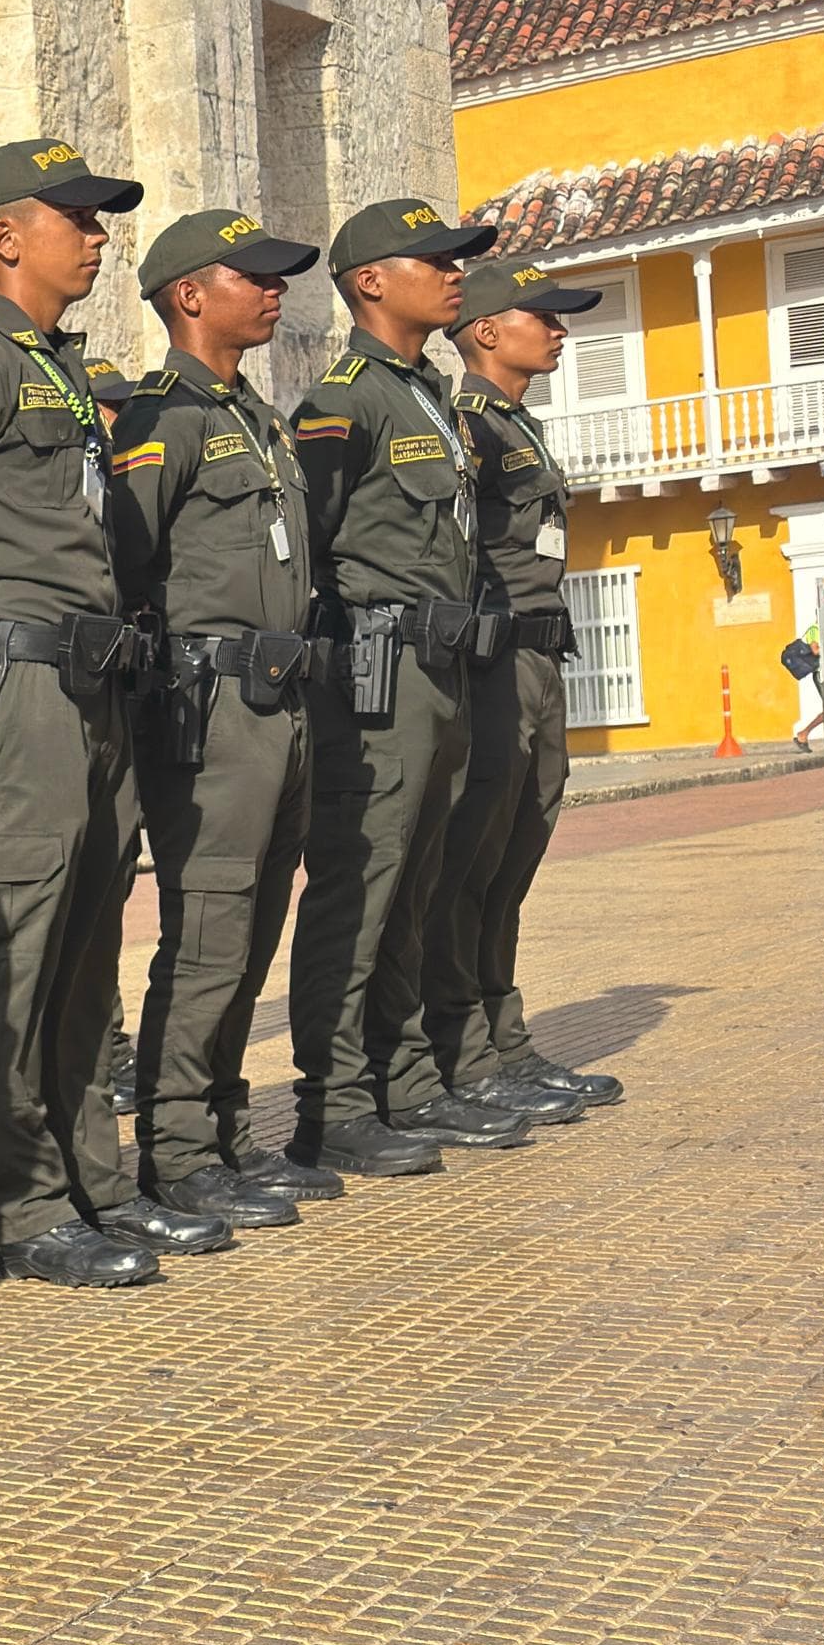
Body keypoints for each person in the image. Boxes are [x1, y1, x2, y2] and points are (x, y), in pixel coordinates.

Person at [0, 140, 209, 1285]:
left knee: (81, 952)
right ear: (7, 237)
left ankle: (93, 1187)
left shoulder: (57, 372)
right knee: (16, 949)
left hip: (89, 687)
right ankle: (21, 1209)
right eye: (77, 218)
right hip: (15, 689)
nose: (99, 238)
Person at [284, 197, 532, 1174]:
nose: (455, 273)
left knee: (417, 886)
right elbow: (304, 550)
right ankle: (333, 1103)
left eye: (457, 259)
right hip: (375, 681)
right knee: (360, 888)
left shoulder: (425, 394)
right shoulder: (342, 402)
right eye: (434, 260)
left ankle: (406, 1081)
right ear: (371, 282)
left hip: (439, 676)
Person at [117, 209, 338, 1230]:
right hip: (207, 712)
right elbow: (124, 566)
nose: (272, 289)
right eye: (251, 275)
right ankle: (173, 1151)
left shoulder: (256, 416)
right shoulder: (158, 419)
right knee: (207, 933)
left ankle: (223, 1131)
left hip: (278, 704)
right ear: (189, 295)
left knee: (250, 931)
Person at [427, 256, 622, 1118]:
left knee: (514, 860)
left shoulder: (517, 424)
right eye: (541, 315)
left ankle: (505, 1041)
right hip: (494, 663)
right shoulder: (466, 428)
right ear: (485, 331)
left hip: (541, 660)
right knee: (471, 863)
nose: (559, 329)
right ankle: (464, 1052)